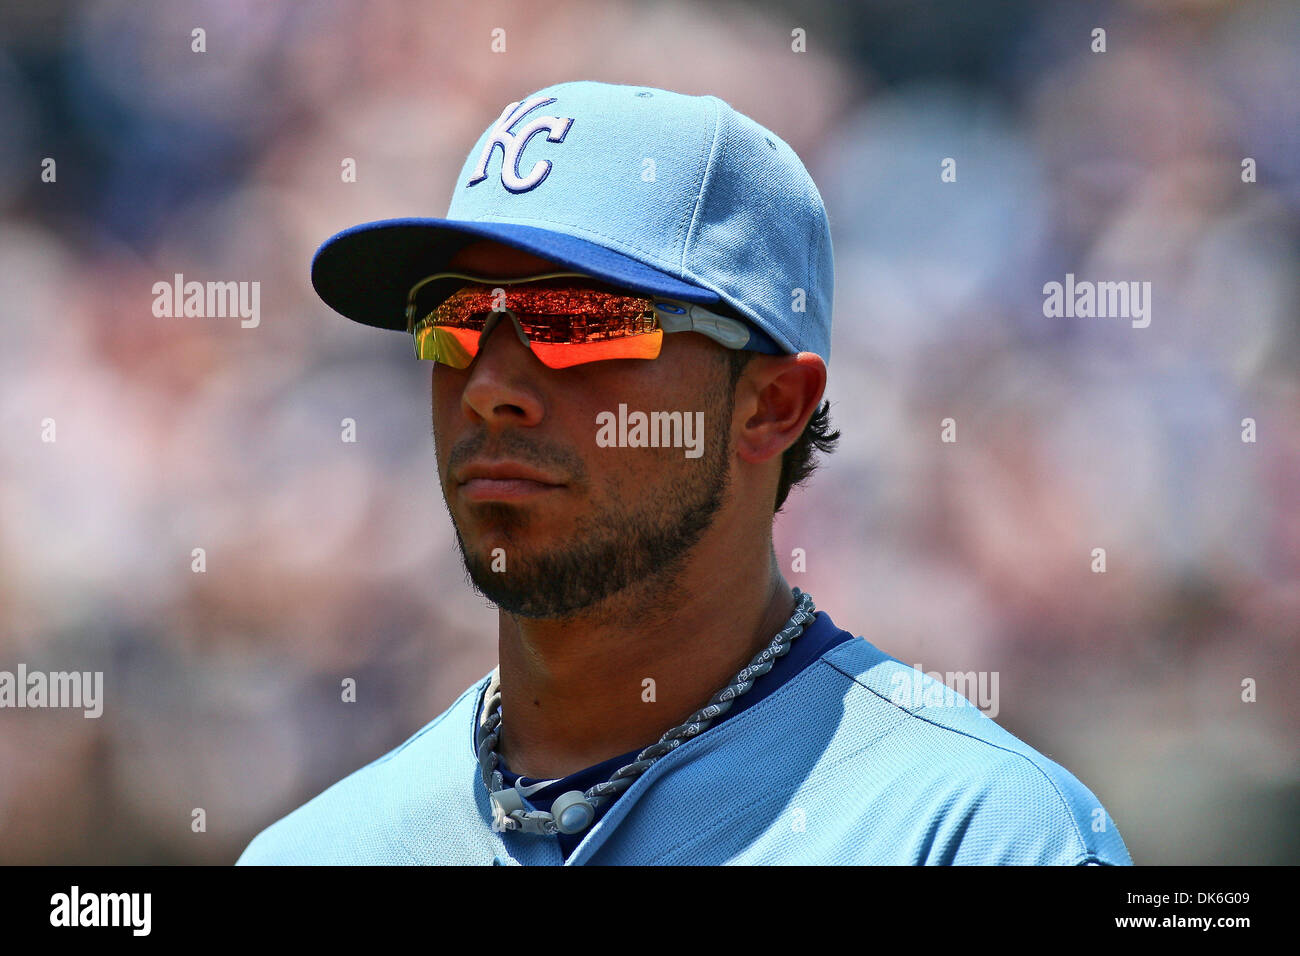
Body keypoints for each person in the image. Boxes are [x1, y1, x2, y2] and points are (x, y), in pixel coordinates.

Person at [237, 80, 1132, 865]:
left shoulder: (980, 837)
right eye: (454, 320)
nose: (490, 388)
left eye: (579, 321)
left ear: (770, 406)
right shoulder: (314, 852)